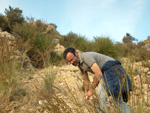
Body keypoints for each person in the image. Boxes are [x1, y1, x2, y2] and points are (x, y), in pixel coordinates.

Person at [63, 47, 132, 113]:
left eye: (72, 59)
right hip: (107, 72)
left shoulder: (85, 57)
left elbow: (98, 74)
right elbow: (86, 80)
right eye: (69, 61)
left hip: (112, 69)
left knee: (99, 101)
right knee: (117, 101)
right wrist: (86, 92)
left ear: (76, 54)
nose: (71, 62)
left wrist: (92, 90)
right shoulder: (79, 64)